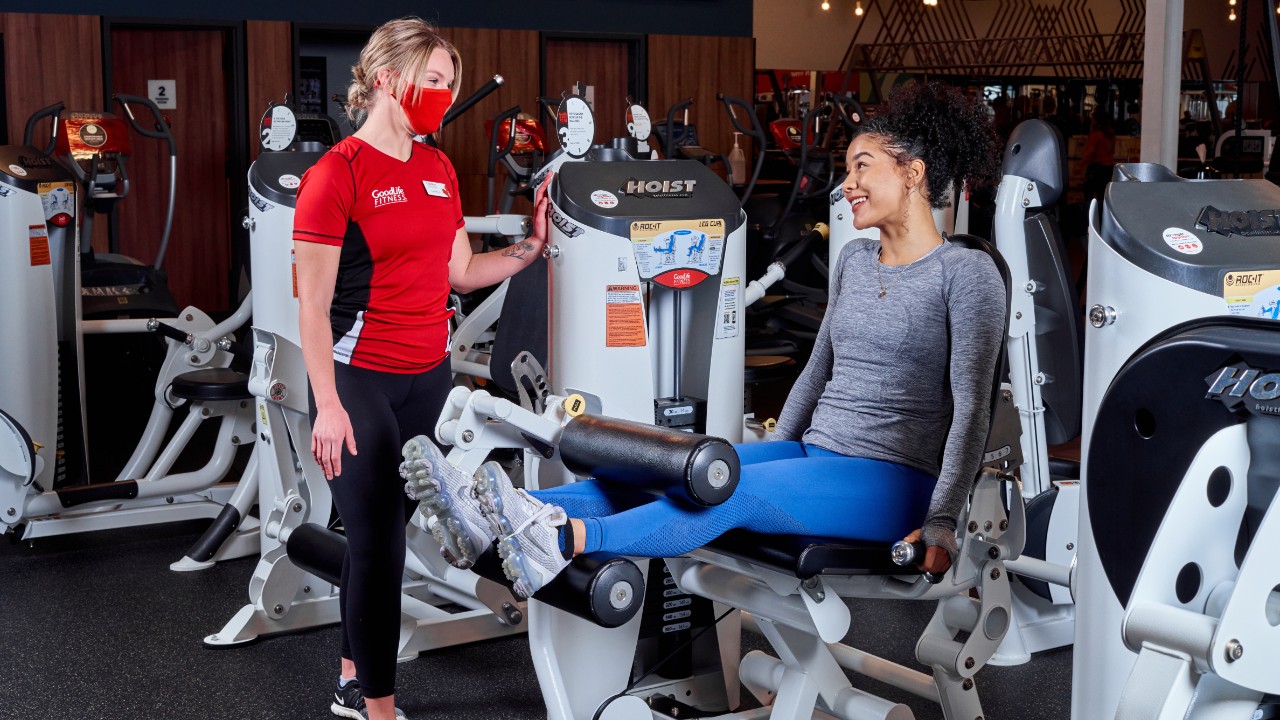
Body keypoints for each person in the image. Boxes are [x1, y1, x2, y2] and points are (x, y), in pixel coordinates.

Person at [400, 80, 1006, 601]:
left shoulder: (965, 273)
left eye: (862, 166)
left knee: (727, 492)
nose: (846, 184)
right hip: (817, 454)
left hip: (894, 479)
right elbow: (817, 372)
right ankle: (488, 516)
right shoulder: (853, 260)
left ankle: (560, 540)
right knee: (678, 469)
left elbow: (972, 410)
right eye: (845, 169)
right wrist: (778, 454)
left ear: (913, 172)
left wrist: (943, 522)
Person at [292, 17, 549, 720]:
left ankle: (352, 672)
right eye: (431, 80)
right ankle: (375, 706)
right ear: (385, 79)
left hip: (427, 382)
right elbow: (310, 308)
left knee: (386, 536)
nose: (442, 93)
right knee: (377, 545)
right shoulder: (335, 173)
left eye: (449, 84)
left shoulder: (438, 169)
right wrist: (329, 404)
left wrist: (531, 246)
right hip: (357, 381)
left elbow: (462, 272)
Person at [1081, 107, 1116, 206]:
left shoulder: (1096, 135)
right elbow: (1112, 151)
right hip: (1108, 169)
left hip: (1096, 168)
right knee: (1103, 196)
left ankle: (1089, 217)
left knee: (1088, 196)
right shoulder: (1111, 135)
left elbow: (1090, 152)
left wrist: (1080, 165)